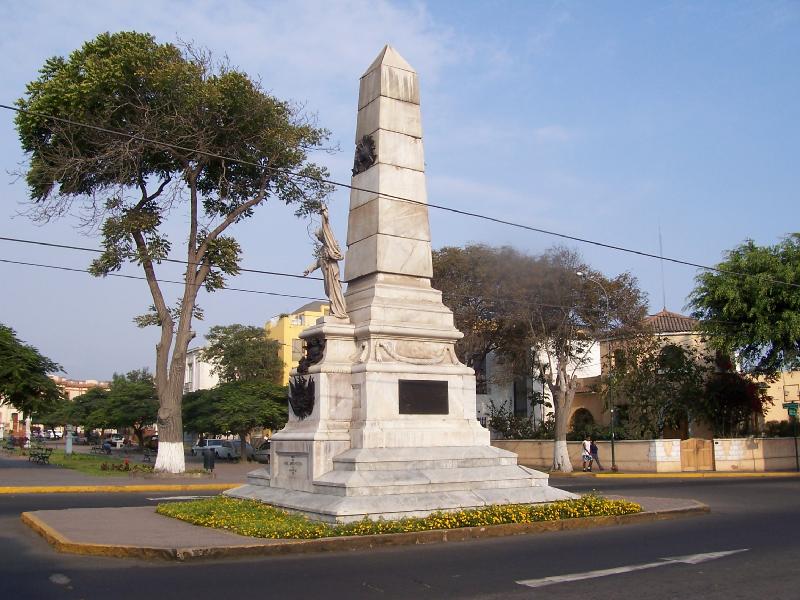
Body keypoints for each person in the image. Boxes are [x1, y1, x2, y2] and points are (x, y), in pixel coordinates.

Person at [304, 204, 347, 319]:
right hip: (326, 273)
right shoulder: (323, 248)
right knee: (330, 292)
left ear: (323, 237)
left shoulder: (330, 244)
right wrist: (310, 269)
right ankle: (335, 311)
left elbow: (327, 228)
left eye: (319, 237)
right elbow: (319, 261)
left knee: (335, 291)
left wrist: (324, 214)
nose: (319, 239)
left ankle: (339, 312)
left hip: (332, 271)